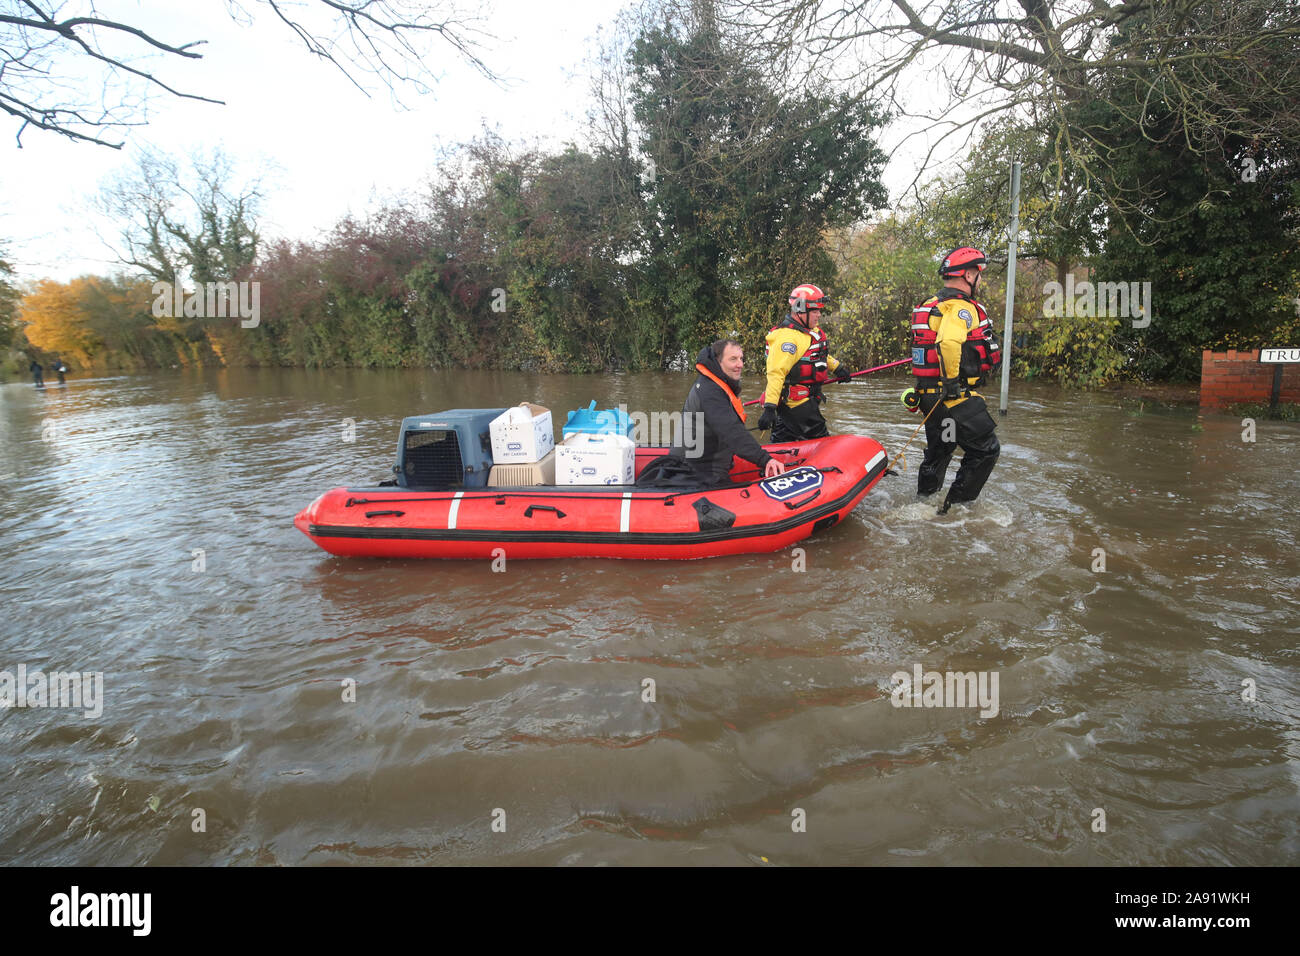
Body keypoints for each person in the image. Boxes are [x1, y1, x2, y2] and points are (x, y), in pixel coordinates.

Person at [910, 246, 1002, 514]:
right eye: (979, 274)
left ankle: (925, 502)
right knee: (986, 450)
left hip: (929, 395)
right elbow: (948, 342)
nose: (980, 280)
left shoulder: (931, 305)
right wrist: (951, 384)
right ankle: (953, 511)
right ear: (969, 274)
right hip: (952, 395)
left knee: (941, 449)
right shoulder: (961, 307)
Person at [639, 339, 786, 488]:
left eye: (741, 358)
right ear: (718, 361)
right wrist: (765, 460)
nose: (740, 364)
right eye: (733, 359)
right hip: (695, 474)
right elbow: (731, 431)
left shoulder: (716, 385)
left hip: (705, 467)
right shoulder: (709, 391)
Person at [758, 283, 850, 442]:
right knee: (823, 443)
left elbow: (815, 354)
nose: (819, 315)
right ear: (800, 310)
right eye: (815, 311)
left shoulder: (808, 333)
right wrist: (769, 408)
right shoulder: (787, 339)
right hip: (796, 406)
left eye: (819, 310)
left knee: (784, 440)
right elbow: (776, 374)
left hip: (807, 402)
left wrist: (837, 367)